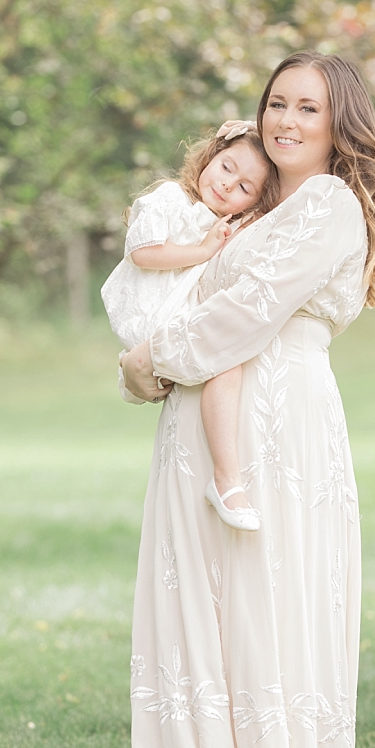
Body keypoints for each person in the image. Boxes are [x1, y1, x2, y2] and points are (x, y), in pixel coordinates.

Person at [114, 50, 375, 748]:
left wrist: (145, 365)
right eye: (277, 103)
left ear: (339, 121)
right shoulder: (258, 202)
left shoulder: (329, 204)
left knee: (268, 599)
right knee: (203, 606)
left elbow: (244, 314)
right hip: (202, 417)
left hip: (281, 425)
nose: (286, 121)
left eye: (308, 108)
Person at [102, 122, 280, 531]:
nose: (227, 185)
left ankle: (225, 476)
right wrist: (203, 250)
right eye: (225, 167)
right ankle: (227, 478)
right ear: (210, 156)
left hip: (175, 316)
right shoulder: (169, 198)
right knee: (226, 357)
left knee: (227, 359)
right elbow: (143, 253)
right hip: (151, 312)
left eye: (244, 187)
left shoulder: (225, 221)